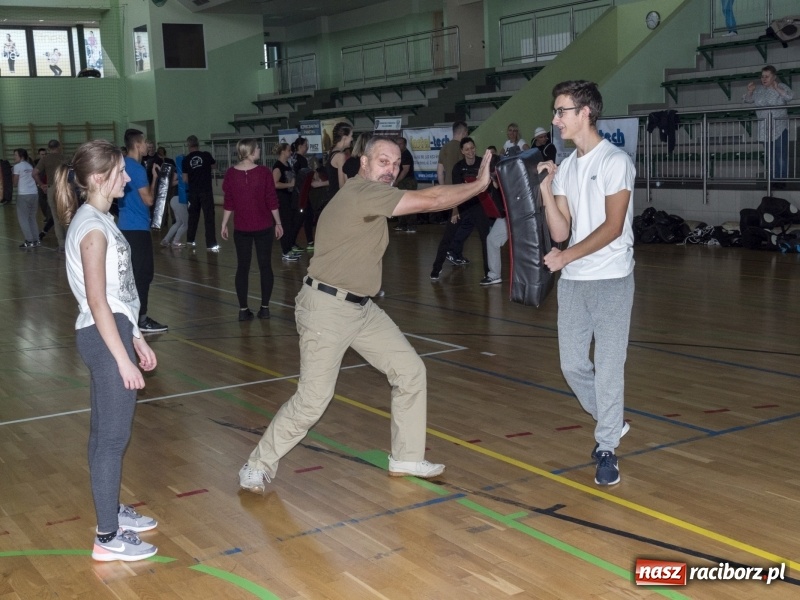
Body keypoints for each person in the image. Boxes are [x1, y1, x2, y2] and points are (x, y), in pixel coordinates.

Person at [238, 136, 493, 494]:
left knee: (409, 371)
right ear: (365, 165)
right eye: (382, 162)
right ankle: (256, 464)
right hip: (326, 309)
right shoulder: (364, 193)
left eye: (394, 163)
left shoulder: (370, 194)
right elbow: (432, 198)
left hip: (361, 308)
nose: (389, 170)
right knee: (313, 400)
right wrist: (479, 185)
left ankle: (406, 457)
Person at [55, 139, 158, 562]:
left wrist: (136, 336)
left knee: (105, 436)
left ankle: (109, 510)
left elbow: (118, 294)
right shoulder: (93, 227)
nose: (129, 177)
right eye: (120, 171)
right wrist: (122, 358)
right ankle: (108, 537)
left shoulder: (98, 217)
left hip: (112, 329)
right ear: (99, 179)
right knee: (113, 439)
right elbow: (98, 300)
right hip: (103, 334)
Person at [537, 80, 635, 487]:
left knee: (609, 369)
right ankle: (612, 420)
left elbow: (613, 227)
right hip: (575, 282)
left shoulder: (616, 161)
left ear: (585, 113)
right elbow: (561, 230)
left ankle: (607, 446)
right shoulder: (569, 168)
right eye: (556, 111)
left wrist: (565, 257)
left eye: (562, 111)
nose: (555, 119)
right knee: (572, 364)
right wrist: (546, 187)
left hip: (611, 278)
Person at [220, 140, 283, 321]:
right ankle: (264, 308)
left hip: (241, 228)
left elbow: (229, 202)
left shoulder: (231, 174)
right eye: (257, 148)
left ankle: (243, 309)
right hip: (263, 226)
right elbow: (272, 200)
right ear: (251, 151)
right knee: (265, 266)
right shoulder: (263, 172)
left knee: (243, 267)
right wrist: (278, 222)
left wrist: (224, 223)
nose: (260, 150)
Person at [119, 128, 168, 334]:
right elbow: (148, 200)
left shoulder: (122, 165)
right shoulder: (137, 169)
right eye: (145, 141)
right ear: (137, 144)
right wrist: (157, 180)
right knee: (143, 274)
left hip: (125, 226)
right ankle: (140, 319)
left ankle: (132, 316)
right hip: (137, 229)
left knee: (132, 274)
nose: (148, 145)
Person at [432, 137, 491, 281]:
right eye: (467, 149)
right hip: (461, 205)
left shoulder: (481, 162)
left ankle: (488, 272)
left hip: (478, 205)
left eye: (472, 148)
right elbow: (455, 192)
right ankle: (436, 269)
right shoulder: (458, 167)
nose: (470, 151)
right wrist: (455, 210)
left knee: (486, 239)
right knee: (447, 236)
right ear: (462, 151)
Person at [742, 65, 794, 181]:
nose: (764, 79)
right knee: (770, 157)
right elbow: (748, 100)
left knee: (780, 155)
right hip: (764, 128)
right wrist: (750, 92)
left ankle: (781, 180)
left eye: (767, 76)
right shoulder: (759, 89)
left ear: (774, 77)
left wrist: (777, 88)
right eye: (762, 76)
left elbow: (790, 96)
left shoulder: (781, 86)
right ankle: (772, 180)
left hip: (779, 127)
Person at [182, 135, 219, 251]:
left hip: (193, 192)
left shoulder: (186, 160)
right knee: (209, 218)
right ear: (198, 144)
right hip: (206, 191)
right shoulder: (206, 155)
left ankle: (190, 240)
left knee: (193, 217)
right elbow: (214, 166)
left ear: (188, 145)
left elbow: (185, 179)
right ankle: (211, 244)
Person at [33, 139, 69, 251]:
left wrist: (42, 184)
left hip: (52, 188)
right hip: (64, 188)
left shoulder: (45, 159)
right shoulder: (65, 158)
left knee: (56, 217)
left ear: (49, 148)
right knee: (67, 215)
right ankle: (71, 242)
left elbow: (34, 173)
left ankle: (62, 244)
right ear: (59, 147)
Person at [272, 142, 300, 262]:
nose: (291, 152)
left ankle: (289, 248)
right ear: (283, 151)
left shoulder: (287, 164)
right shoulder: (278, 166)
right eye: (289, 150)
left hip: (289, 198)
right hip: (281, 199)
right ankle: (285, 251)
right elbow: (274, 184)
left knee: (290, 224)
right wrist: (290, 184)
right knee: (285, 224)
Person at [12, 149, 40, 248]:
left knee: (23, 218)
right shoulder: (30, 165)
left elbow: (15, 183)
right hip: (34, 194)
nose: (14, 157)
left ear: (21, 156)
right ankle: (36, 240)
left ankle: (29, 241)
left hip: (24, 195)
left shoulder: (17, 167)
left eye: (15, 155)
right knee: (32, 217)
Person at [393, 136, 419, 232]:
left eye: (401, 144)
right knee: (400, 204)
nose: (399, 145)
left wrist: (397, 181)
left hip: (408, 182)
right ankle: (402, 224)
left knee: (410, 204)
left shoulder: (406, 155)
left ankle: (411, 226)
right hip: (403, 182)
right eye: (397, 143)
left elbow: (405, 170)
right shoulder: (399, 155)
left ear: (405, 144)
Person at [324, 122, 353, 206]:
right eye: (351, 136)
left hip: (332, 198)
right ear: (344, 138)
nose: (351, 139)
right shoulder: (340, 156)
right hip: (337, 200)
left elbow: (333, 180)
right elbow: (342, 185)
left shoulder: (333, 152)